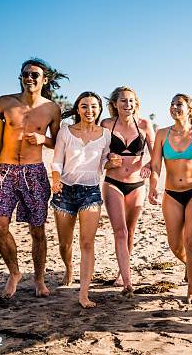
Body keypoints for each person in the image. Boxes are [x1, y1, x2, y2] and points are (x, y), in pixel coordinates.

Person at [0, 57, 67, 298]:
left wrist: (43, 139)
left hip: (34, 173)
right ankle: (14, 273)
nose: (30, 78)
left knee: (37, 230)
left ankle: (39, 279)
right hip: (3, 171)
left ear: (44, 80)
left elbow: (59, 144)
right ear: (21, 77)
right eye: (26, 73)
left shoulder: (52, 109)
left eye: (35, 74)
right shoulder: (5, 103)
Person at [148, 94, 192, 304]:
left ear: (190, 109)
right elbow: (155, 165)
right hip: (171, 194)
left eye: (179, 104)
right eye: (172, 104)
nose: (174, 107)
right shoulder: (162, 134)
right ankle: (191, 265)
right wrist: (153, 186)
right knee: (175, 244)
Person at [51, 92, 113, 308]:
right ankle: (68, 267)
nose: (89, 111)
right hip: (64, 190)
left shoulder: (105, 134)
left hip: (91, 191)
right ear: (77, 109)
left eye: (94, 106)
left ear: (99, 109)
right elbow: (57, 160)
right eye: (84, 106)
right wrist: (56, 180)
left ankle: (84, 293)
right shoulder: (66, 132)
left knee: (87, 243)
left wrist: (111, 160)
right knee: (64, 243)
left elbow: (104, 160)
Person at [100, 86, 155, 296]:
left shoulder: (144, 124)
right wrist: (107, 161)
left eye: (131, 101)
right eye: (123, 101)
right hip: (113, 182)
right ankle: (127, 281)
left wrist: (150, 167)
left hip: (136, 184)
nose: (128, 105)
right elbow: (97, 154)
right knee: (120, 231)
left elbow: (154, 155)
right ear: (115, 104)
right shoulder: (106, 124)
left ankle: (122, 272)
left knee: (130, 231)